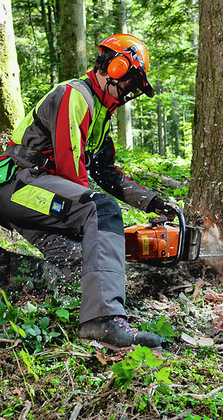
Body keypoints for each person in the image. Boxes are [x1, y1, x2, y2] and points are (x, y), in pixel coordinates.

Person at [0, 34, 179, 350]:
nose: (130, 92)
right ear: (117, 67)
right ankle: (103, 321)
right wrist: (97, 227)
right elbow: (72, 172)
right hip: (19, 185)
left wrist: (153, 202)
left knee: (78, 267)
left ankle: (7, 269)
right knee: (101, 210)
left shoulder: (100, 113)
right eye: (131, 82)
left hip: (39, 194)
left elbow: (106, 173)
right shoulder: (75, 96)